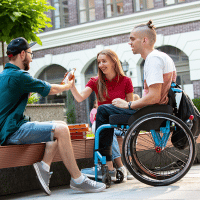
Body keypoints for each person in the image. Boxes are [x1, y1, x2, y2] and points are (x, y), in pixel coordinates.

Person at [0, 37, 106, 195]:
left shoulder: (5, 75)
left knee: (58, 125)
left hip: (10, 128)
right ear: (22, 54)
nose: (31, 57)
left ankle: (44, 166)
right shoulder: (19, 76)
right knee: (61, 130)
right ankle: (78, 179)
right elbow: (49, 89)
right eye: (30, 53)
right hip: (11, 131)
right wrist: (67, 85)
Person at [95, 20, 176, 172]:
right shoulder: (163, 57)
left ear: (144, 40)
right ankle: (110, 165)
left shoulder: (153, 59)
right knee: (107, 110)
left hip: (152, 111)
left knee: (103, 110)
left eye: (132, 39)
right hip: (160, 110)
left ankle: (105, 165)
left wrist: (129, 104)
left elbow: (154, 97)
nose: (129, 43)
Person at [70, 49, 134, 181]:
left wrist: (124, 103)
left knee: (104, 126)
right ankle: (116, 168)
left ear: (113, 61)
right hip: (104, 123)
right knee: (104, 128)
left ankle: (110, 167)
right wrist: (71, 86)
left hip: (120, 122)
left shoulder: (126, 81)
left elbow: (130, 106)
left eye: (104, 61)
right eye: (99, 62)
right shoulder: (95, 81)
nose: (101, 65)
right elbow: (80, 97)